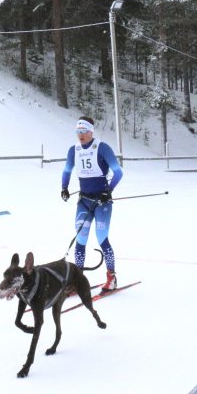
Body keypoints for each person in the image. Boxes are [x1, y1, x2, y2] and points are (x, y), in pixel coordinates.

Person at [61, 116, 123, 293]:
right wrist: (64, 187)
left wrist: (108, 191)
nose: (80, 135)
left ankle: (112, 277)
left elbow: (118, 172)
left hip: (102, 202)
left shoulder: (102, 148)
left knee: (102, 238)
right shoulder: (74, 150)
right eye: (78, 132)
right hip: (84, 202)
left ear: (91, 132)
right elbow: (66, 170)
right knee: (80, 239)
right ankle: (77, 280)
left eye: (83, 131)